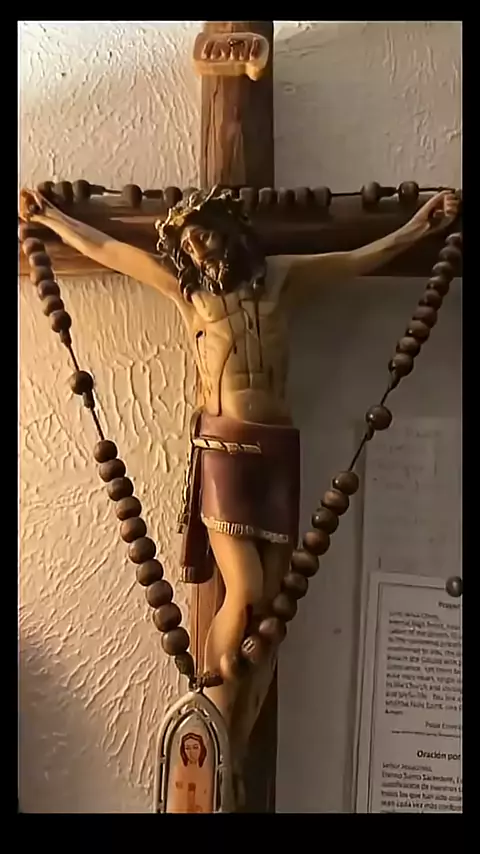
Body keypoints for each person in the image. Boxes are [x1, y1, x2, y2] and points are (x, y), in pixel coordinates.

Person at [19, 185, 460, 751]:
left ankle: (238, 735)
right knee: (246, 589)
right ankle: (213, 722)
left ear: (228, 230)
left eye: (203, 235)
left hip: (278, 450)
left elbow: (354, 259)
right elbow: (111, 250)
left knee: (273, 605)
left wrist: (421, 226)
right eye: (187, 245)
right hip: (225, 450)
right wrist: (53, 218)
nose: (198, 249)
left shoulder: (281, 278)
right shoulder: (189, 292)